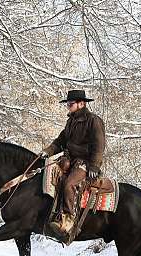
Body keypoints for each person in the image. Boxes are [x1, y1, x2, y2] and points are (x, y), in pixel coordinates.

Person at [39, 89, 106, 238]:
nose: (68, 106)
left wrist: (94, 166)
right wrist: (47, 152)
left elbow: (99, 145)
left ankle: (68, 220)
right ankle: (53, 215)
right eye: (67, 104)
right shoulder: (71, 121)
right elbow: (60, 141)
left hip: (85, 163)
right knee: (50, 176)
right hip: (69, 160)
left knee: (69, 184)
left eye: (71, 103)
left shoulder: (93, 120)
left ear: (81, 103)